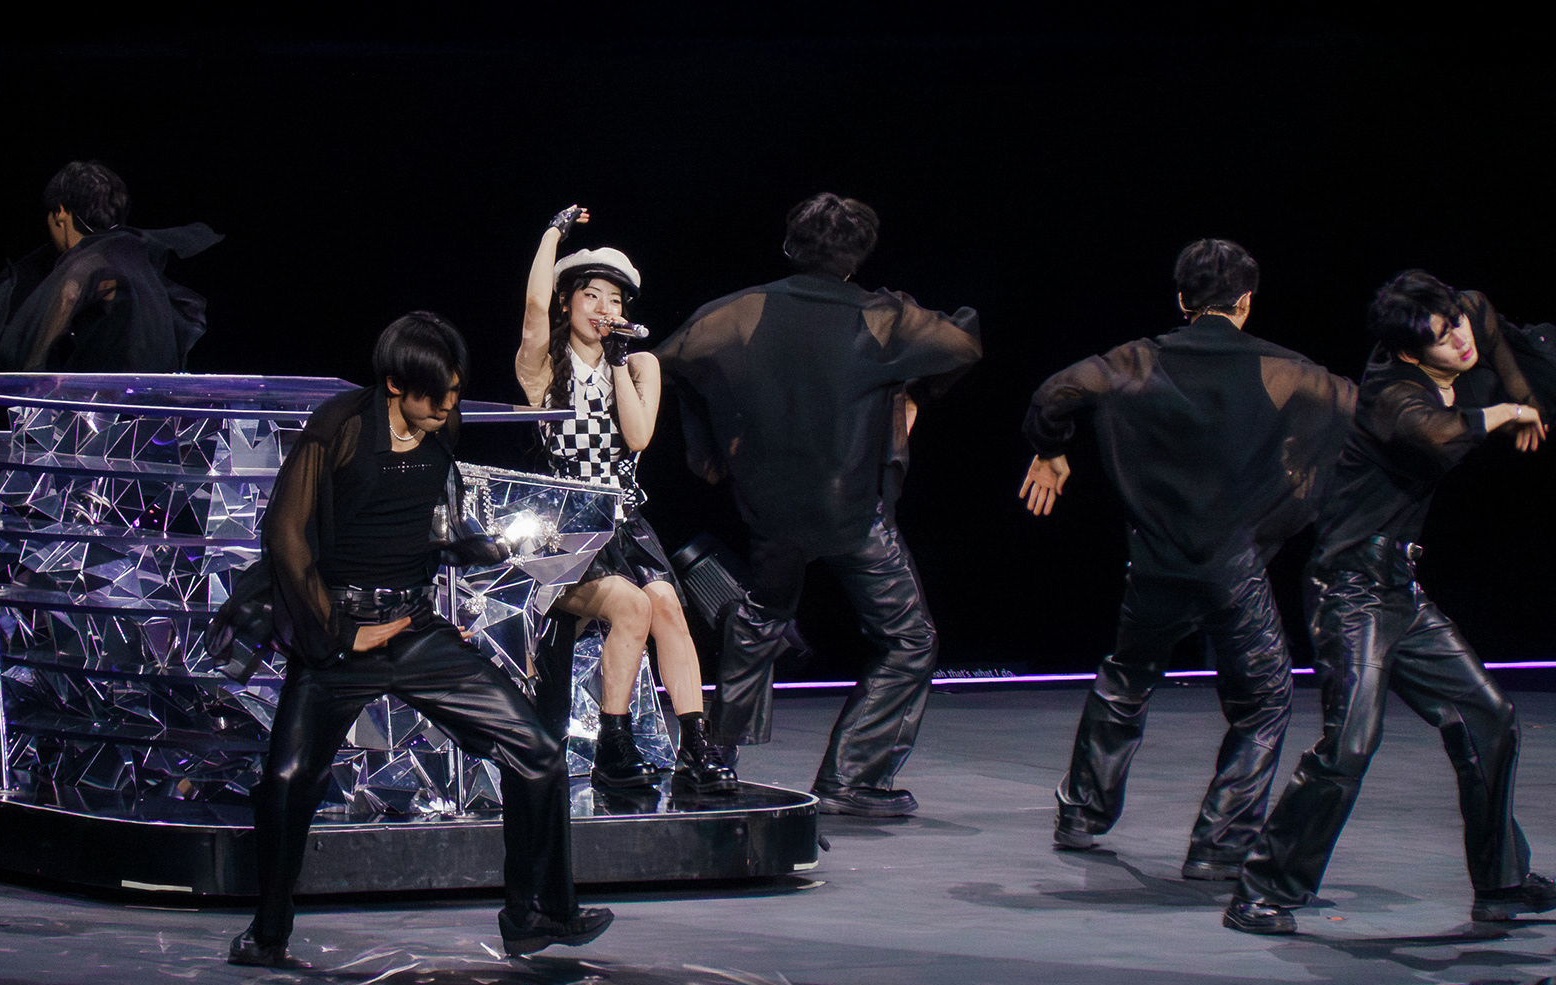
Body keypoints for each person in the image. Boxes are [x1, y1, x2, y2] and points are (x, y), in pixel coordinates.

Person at [209, 312, 612, 965]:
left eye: (455, 392)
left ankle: (537, 912)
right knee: (287, 780)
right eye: (436, 395)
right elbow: (285, 536)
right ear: (396, 384)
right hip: (341, 637)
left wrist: (475, 549)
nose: (448, 408)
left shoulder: (440, 425)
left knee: (538, 751)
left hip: (415, 630)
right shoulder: (340, 428)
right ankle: (267, 934)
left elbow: (430, 517)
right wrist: (342, 632)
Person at [1226, 271, 1553, 934]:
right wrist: (1504, 412)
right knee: (1350, 744)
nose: (1460, 341)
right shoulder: (1391, 394)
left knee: (1489, 719)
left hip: (1399, 587)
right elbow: (1438, 433)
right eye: (1442, 337)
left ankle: (1501, 883)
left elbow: (1489, 323)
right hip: (1349, 591)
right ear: (1409, 351)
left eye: (1455, 324)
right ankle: (1262, 890)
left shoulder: (1466, 318)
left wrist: (1525, 395)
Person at [1020, 238, 1356, 878]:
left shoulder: (1138, 360)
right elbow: (1355, 410)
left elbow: (1055, 392)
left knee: (1127, 677)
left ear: (1182, 300)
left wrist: (1051, 448)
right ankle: (1219, 844)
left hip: (1155, 562)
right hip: (1230, 567)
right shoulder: (1284, 370)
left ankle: (1082, 814)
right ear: (1246, 302)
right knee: (1263, 701)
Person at [656, 193, 982, 816]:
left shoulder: (739, 311)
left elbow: (661, 364)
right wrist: (912, 391)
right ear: (857, 258)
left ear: (789, 246)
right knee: (909, 639)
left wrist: (709, 445)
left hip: (771, 509)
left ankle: (711, 761)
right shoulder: (881, 317)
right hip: (847, 511)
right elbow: (964, 340)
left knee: (759, 621)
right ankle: (850, 777)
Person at [515, 205, 726, 793]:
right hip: (565, 524)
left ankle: (696, 745)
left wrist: (618, 365)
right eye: (592, 296)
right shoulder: (543, 368)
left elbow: (636, 437)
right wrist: (552, 232)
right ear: (567, 303)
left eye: (615, 301)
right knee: (631, 606)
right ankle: (614, 743)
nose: (604, 309)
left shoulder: (640, 364)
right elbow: (533, 308)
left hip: (625, 518)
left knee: (667, 608)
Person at [0, 160, 221, 425]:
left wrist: (33, 374)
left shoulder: (93, 257)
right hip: (157, 405)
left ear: (60, 212)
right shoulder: (133, 251)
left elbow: (71, 290)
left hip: (120, 416)